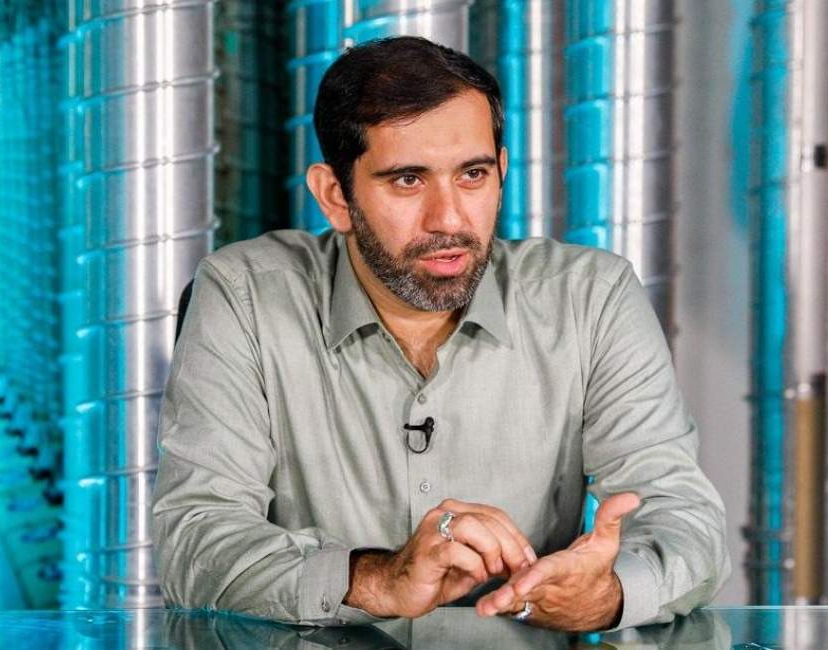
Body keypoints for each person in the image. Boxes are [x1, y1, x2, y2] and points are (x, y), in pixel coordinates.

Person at [151, 35, 729, 632]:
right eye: (408, 180)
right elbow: (196, 537)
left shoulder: (592, 297)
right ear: (335, 196)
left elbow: (685, 519)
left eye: (473, 174)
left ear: (502, 171)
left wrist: (606, 595)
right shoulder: (245, 296)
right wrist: (379, 579)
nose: (449, 219)